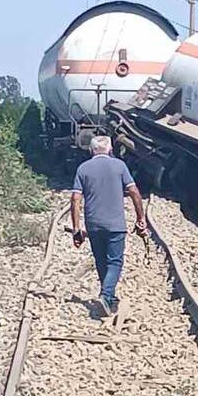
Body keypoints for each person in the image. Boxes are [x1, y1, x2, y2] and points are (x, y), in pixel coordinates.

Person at [70, 135, 147, 316]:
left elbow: (75, 199)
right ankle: (106, 295)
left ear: (91, 150)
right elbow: (134, 191)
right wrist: (140, 217)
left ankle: (109, 297)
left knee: (101, 260)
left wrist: (76, 228)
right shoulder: (119, 166)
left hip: (93, 224)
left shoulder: (83, 168)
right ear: (110, 150)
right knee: (115, 261)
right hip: (115, 224)